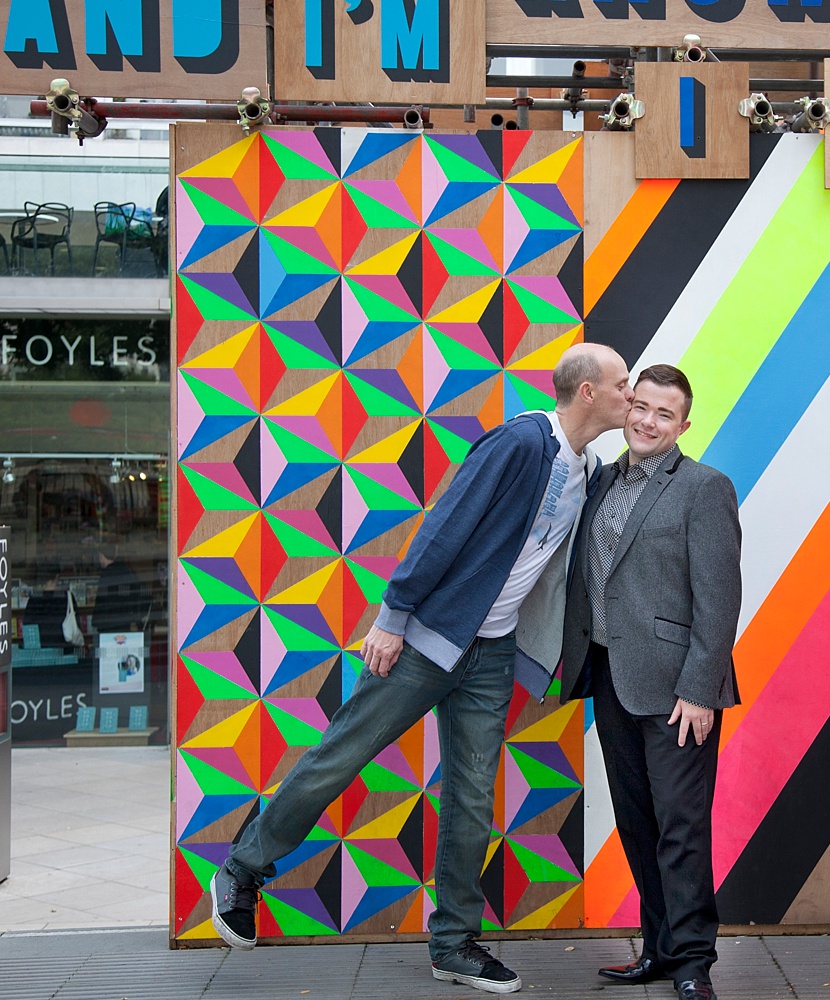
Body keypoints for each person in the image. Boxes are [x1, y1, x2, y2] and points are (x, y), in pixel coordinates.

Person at [210, 343, 634, 995]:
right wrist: (392, 615)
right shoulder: (522, 443)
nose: (628, 393)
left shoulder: (588, 467)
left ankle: (454, 943)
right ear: (586, 392)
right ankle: (242, 868)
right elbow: (446, 524)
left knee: (470, 796)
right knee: (342, 756)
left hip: (491, 652)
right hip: (426, 640)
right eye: (622, 383)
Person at [559, 365, 742, 1000]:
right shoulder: (602, 480)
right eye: (641, 407)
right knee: (638, 824)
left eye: (665, 415)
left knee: (681, 827)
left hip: (677, 693)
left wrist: (699, 688)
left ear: (683, 426)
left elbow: (719, 602)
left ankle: (693, 963)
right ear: (627, 405)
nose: (647, 422)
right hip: (612, 678)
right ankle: (661, 950)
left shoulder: (704, 488)